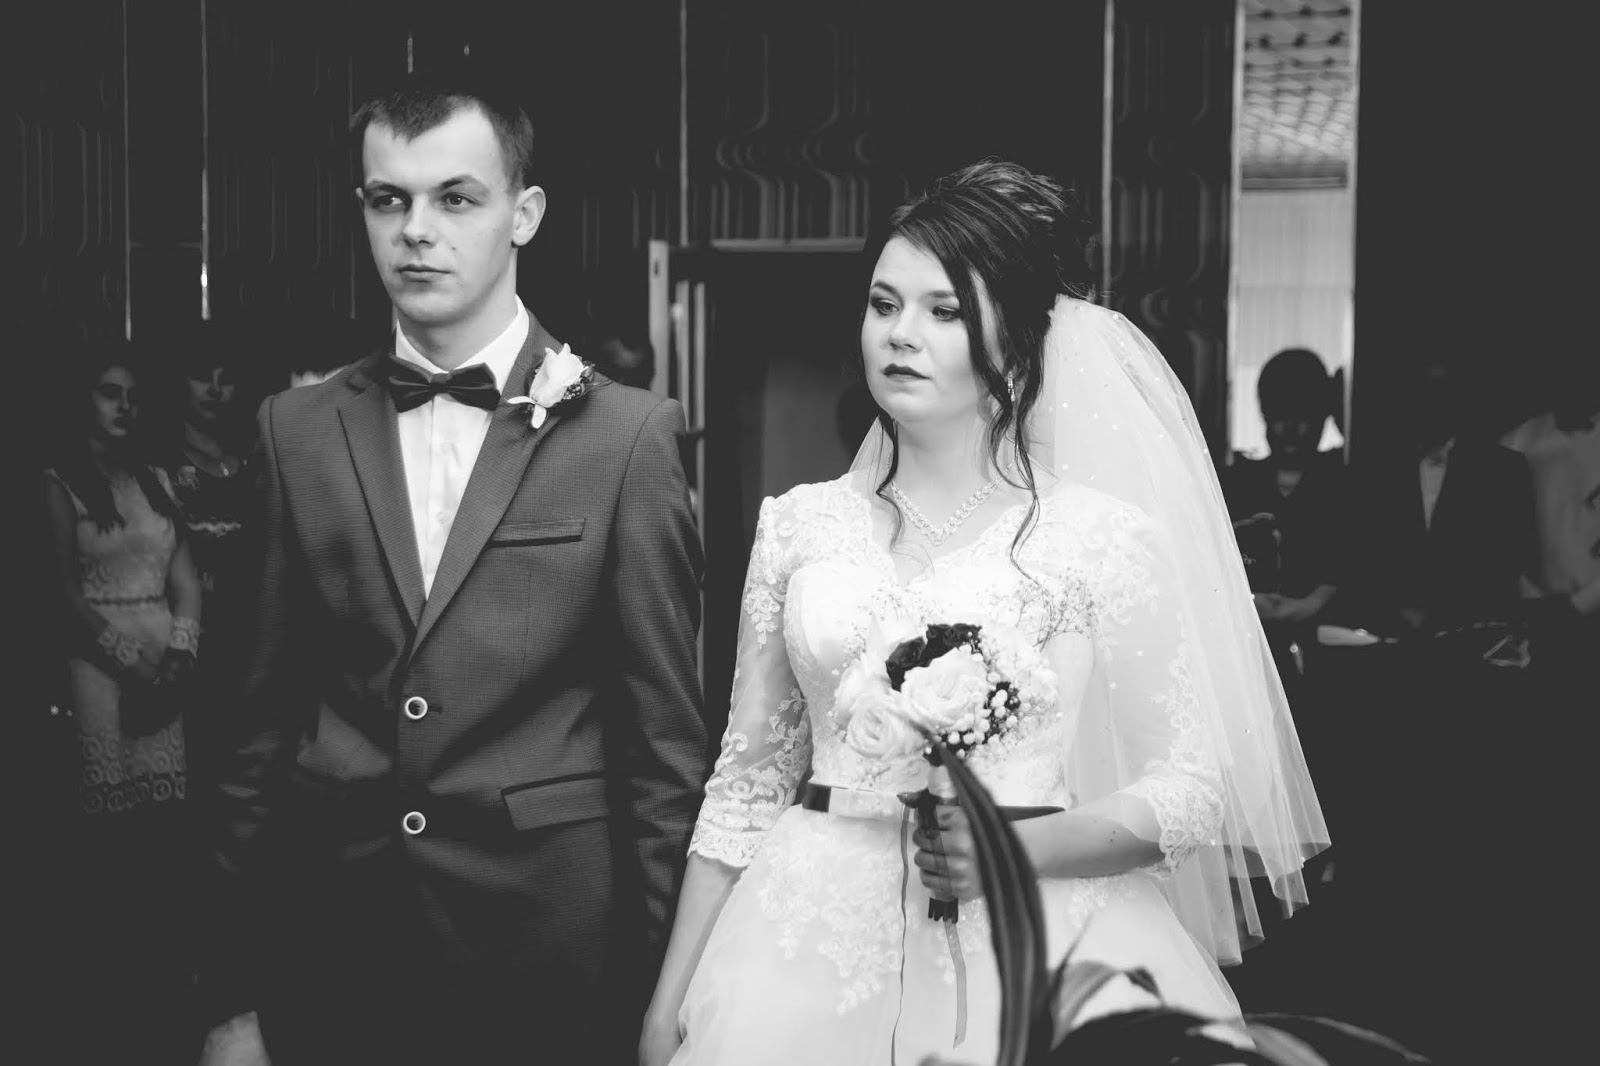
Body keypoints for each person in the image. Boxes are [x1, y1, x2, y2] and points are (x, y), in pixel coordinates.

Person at [641, 161, 1328, 1066]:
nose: (901, 334)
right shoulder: (798, 525)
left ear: (1021, 337)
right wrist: (667, 1004)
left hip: (1035, 937)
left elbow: (1191, 788)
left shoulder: (1099, 539)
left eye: (945, 311)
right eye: (883, 305)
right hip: (802, 936)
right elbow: (745, 787)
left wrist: (1013, 850)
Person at [198, 74, 707, 1066]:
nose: (416, 230)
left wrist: (659, 1003)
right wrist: (230, 997)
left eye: (456, 198)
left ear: (524, 214)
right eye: (388, 199)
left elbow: (663, 761)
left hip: (554, 959)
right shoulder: (293, 432)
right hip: (333, 953)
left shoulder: (626, 438)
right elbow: (247, 731)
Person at [43, 340, 206, 1061]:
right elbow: (63, 596)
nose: (125, 406)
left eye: (134, 395)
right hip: (100, 669)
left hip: (167, 662)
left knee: (167, 830)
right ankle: (112, 990)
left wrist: (180, 656)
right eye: (110, 392)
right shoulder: (60, 482)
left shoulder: (157, 478)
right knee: (112, 838)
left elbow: (187, 578)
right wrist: (132, 665)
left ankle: (164, 979)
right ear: (84, 399)